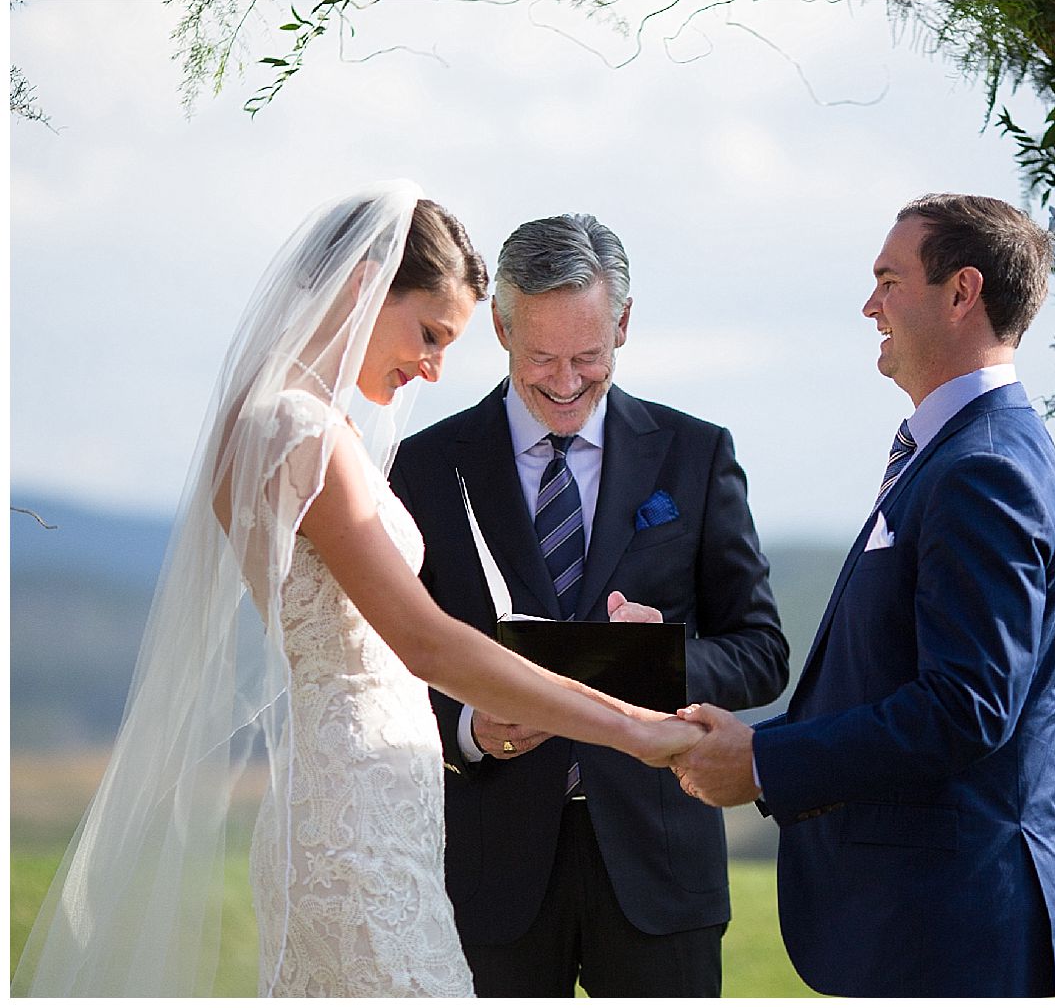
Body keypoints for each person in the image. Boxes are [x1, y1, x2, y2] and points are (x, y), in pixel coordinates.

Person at [12, 182, 702, 998]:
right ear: (362, 284)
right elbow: (427, 641)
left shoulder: (286, 423)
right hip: (355, 818)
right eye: (431, 332)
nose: (435, 367)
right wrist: (630, 727)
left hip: (368, 800)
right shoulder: (299, 433)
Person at [672, 193, 1055, 997]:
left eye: (889, 280)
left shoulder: (984, 470)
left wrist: (761, 761)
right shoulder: (959, 452)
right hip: (932, 922)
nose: (871, 305)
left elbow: (966, 707)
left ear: (962, 292)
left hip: (960, 930)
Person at [388, 212, 788, 996]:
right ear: (500, 325)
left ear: (625, 324)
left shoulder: (696, 453)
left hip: (661, 867)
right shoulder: (425, 468)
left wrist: (663, 658)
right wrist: (470, 725)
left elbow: (762, 649)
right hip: (487, 872)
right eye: (542, 357)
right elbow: (390, 662)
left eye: (588, 357)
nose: (567, 383)